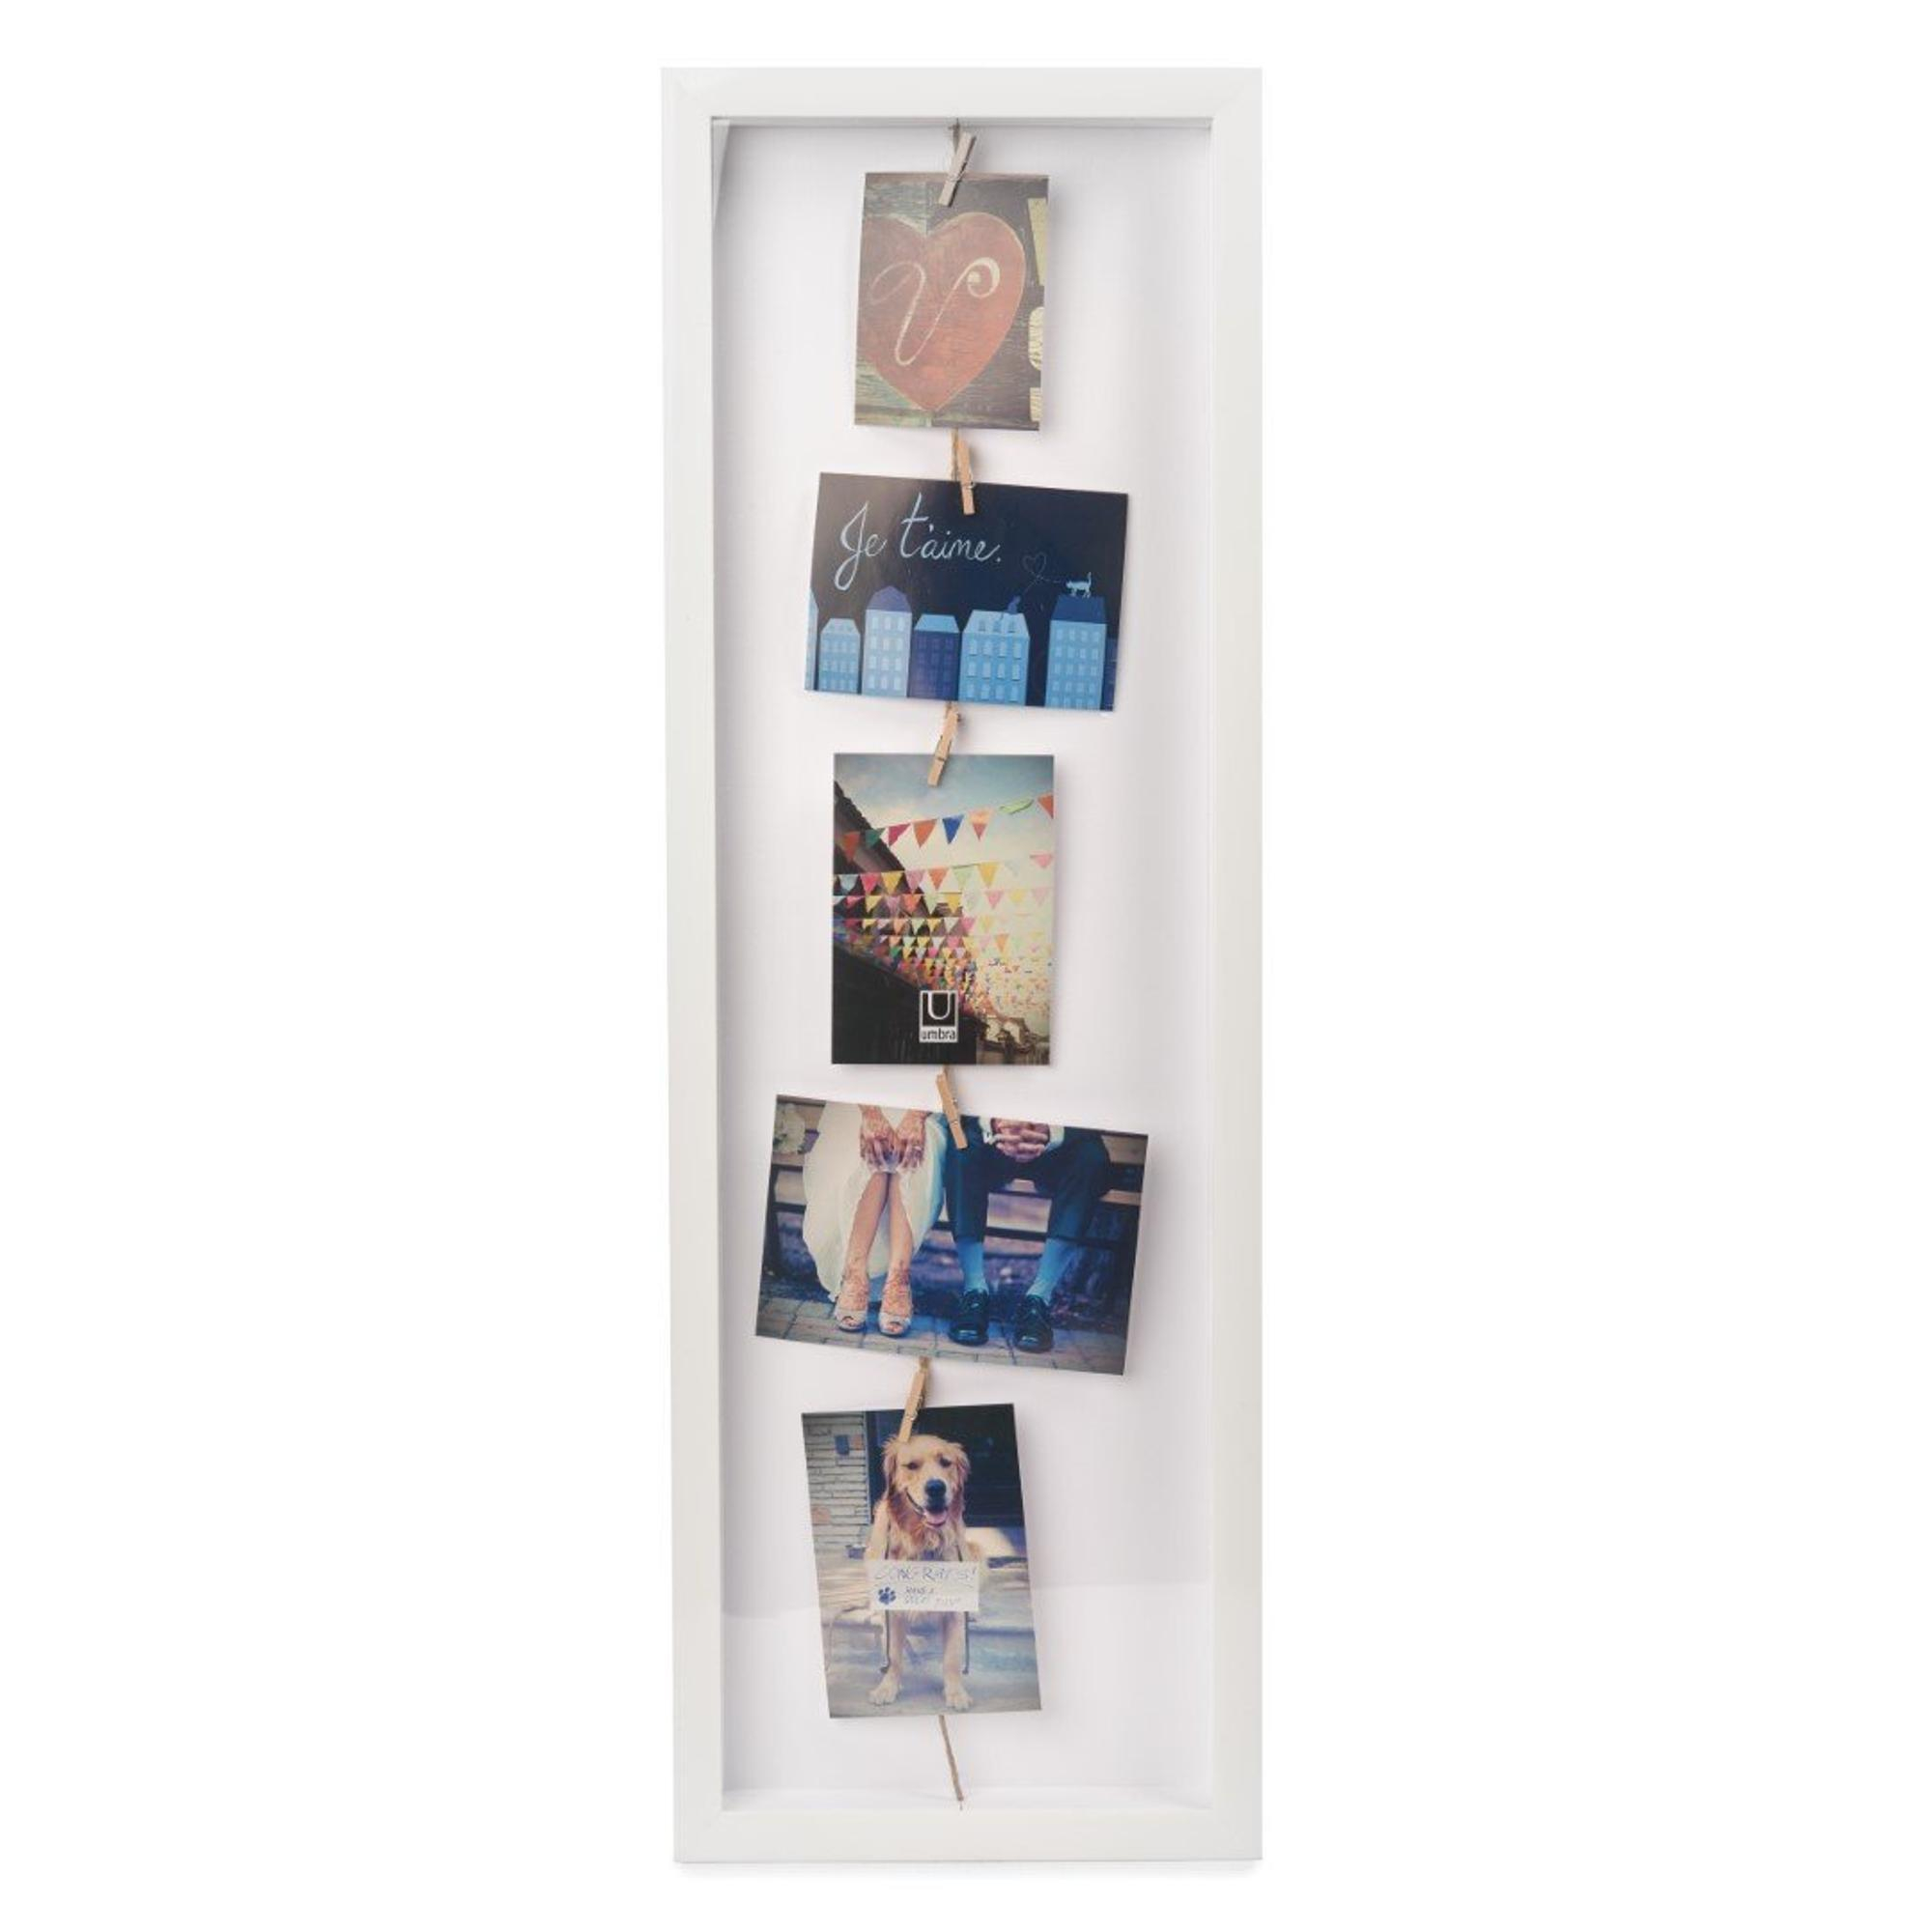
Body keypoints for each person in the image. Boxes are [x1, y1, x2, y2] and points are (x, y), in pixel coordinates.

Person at [945, 1119, 1112, 1353]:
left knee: (1091, 1157)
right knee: (962, 1144)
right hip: (991, 1142)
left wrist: (1052, 1131)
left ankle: (1039, 1299)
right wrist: (994, 1124)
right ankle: (974, 1291)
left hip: (1059, 1147)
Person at [801, 1101, 948, 1338]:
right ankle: (854, 1273)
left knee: (918, 1142)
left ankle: (899, 1277)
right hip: (860, 1103)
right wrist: (871, 1113)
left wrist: (917, 1115)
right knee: (872, 1142)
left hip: (923, 1105)